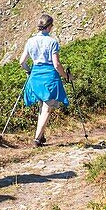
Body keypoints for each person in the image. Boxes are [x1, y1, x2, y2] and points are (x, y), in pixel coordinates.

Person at [19, 14, 70, 147]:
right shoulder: (52, 42)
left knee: (42, 107)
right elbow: (56, 65)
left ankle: (40, 137)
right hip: (49, 77)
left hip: (35, 76)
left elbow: (22, 62)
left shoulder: (30, 41)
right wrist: (66, 76)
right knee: (47, 108)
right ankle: (36, 139)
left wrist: (29, 72)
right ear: (49, 27)